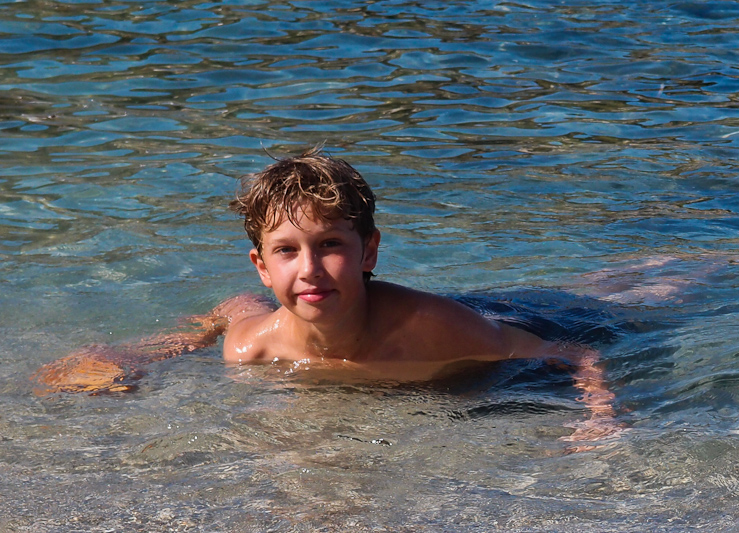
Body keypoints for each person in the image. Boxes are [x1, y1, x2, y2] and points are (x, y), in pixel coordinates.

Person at [32, 147, 619, 445]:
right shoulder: (250, 348)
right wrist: (140, 354)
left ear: (368, 252)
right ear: (262, 266)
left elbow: (570, 351)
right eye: (287, 251)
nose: (310, 269)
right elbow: (233, 313)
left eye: (330, 245)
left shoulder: (433, 328)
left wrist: (600, 416)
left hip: (525, 312)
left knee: (644, 293)